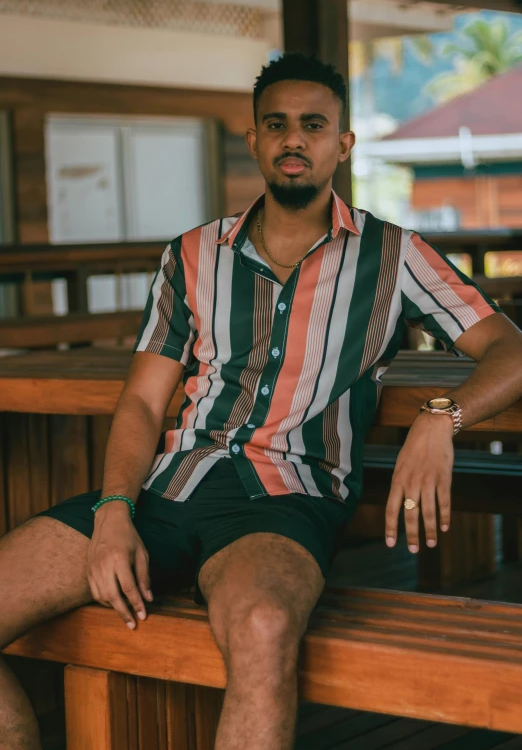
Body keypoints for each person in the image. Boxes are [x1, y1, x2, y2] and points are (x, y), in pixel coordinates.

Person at [1, 53, 522, 750]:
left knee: (264, 627)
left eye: (314, 124)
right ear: (253, 139)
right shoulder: (190, 255)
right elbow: (140, 403)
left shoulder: (395, 254)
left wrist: (443, 417)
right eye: (276, 124)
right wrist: (114, 508)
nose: (293, 139)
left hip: (288, 498)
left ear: (343, 143)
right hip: (164, 488)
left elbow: (510, 347)